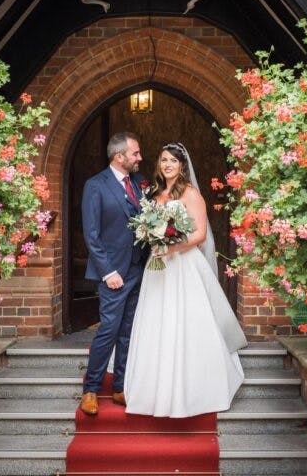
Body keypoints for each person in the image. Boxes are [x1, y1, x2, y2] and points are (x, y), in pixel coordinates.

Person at [124, 142, 248, 418]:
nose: (167, 165)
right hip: (157, 269)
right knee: (156, 322)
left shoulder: (191, 194)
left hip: (182, 266)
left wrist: (169, 247)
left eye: (173, 161)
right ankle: (152, 390)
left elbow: (200, 235)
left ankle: (193, 390)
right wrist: (152, 237)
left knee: (185, 321)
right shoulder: (154, 194)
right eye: (164, 160)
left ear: (182, 166)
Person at [80, 131, 149, 416]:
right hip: (114, 274)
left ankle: (120, 386)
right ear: (119, 156)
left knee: (128, 331)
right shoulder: (95, 185)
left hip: (138, 268)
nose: (140, 158)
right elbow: (92, 235)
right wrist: (108, 272)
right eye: (135, 153)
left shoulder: (137, 183)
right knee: (108, 329)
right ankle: (91, 389)